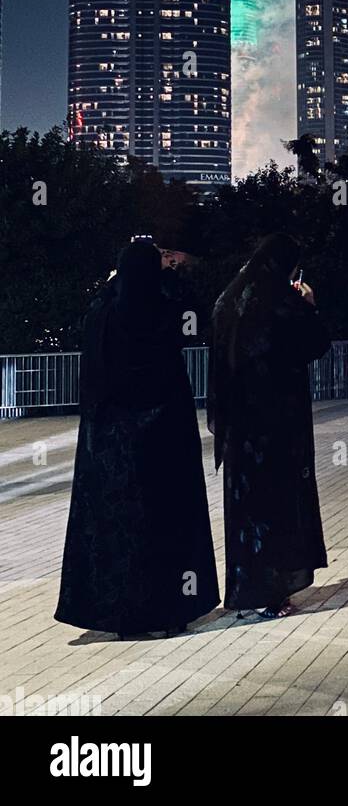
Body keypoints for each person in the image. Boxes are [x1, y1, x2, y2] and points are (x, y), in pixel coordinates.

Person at [55, 241, 219, 638]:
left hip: (113, 445)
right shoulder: (164, 311)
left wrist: (108, 287)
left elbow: (94, 345)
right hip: (165, 439)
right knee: (167, 524)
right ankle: (169, 611)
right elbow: (197, 319)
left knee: (119, 530)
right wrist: (172, 276)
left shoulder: (103, 315)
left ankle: (122, 616)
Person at [210, 234, 331, 618]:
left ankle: (247, 588)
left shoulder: (228, 299)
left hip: (240, 426)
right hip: (278, 425)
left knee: (246, 506)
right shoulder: (281, 302)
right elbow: (315, 345)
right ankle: (275, 592)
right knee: (279, 504)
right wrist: (309, 305)